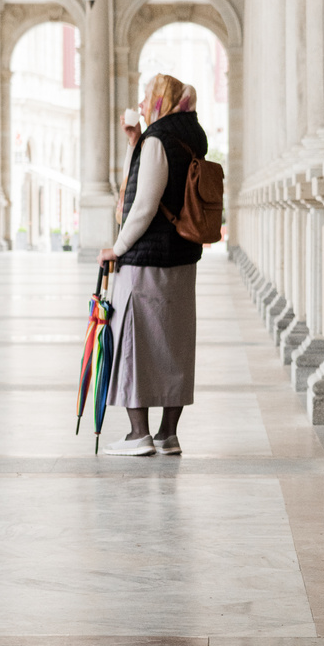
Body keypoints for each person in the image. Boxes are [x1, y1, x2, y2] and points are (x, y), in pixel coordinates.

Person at [97, 73, 207, 456]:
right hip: (182, 257)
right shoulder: (188, 136)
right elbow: (147, 183)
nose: (142, 102)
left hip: (146, 260)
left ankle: (137, 433)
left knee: (132, 339)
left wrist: (118, 246)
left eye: (147, 95)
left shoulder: (158, 139)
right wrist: (134, 142)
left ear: (162, 99)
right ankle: (167, 434)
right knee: (175, 344)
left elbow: (143, 202)